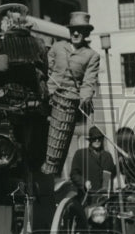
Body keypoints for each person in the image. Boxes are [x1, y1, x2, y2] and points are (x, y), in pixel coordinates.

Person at [41, 11, 101, 176]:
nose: (75, 33)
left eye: (80, 30)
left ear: (86, 33)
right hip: (48, 99)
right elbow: (47, 69)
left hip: (68, 103)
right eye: (73, 29)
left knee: (57, 144)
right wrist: (46, 90)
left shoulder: (92, 56)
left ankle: (52, 171)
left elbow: (88, 82)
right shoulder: (57, 47)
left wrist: (84, 98)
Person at [70, 126, 117, 194]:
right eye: (94, 138)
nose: (97, 140)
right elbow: (74, 175)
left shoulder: (107, 156)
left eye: (99, 138)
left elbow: (112, 173)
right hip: (87, 197)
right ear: (90, 140)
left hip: (106, 197)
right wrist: (84, 182)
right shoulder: (80, 154)